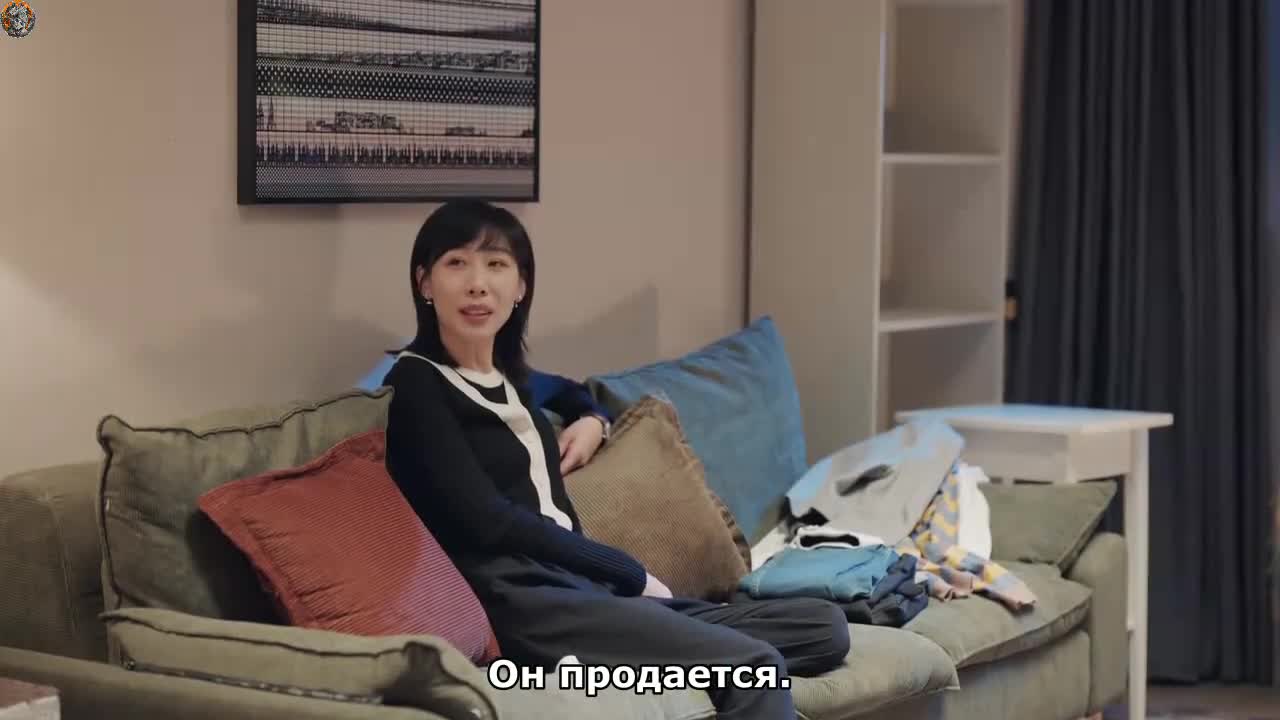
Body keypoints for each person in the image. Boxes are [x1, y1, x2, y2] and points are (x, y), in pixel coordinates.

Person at [380, 200, 848, 719]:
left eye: (496, 265)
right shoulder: (416, 383)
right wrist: (627, 571)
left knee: (823, 628)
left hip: (583, 591)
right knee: (754, 667)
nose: (477, 285)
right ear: (424, 282)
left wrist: (592, 420)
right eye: (456, 264)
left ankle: (676, 659)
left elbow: (572, 393)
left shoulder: (508, 377)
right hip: (522, 602)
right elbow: (485, 520)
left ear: (521, 287)